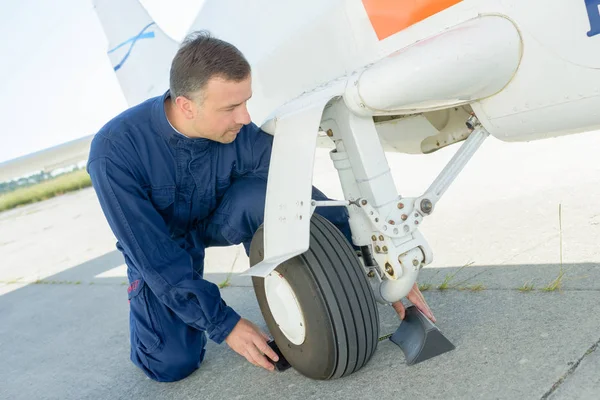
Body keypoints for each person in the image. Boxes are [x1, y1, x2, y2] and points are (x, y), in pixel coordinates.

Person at [87, 31, 435, 383]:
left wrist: (378, 257)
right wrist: (227, 325)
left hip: (216, 220)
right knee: (172, 364)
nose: (244, 117)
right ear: (186, 106)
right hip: (161, 241)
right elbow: (154, 256)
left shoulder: (240, 134)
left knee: (261, 194)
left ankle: (291, 292)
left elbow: (303, 199)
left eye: (245, 102)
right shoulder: (114, 154)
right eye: (230, 108)